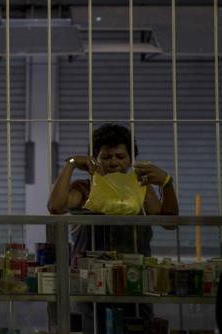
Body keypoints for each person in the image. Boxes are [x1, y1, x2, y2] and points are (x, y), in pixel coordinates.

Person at [47, 123, 179, 332]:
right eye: (106, 157)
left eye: (120, 156)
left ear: (130, 159)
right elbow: (55, 207)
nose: (114, 163)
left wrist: (167, 183)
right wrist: (71, 164)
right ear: (95, 159)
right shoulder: (86, 188)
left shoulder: (141, 188)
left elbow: (169, 223)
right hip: (90, 285)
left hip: (135, 282)